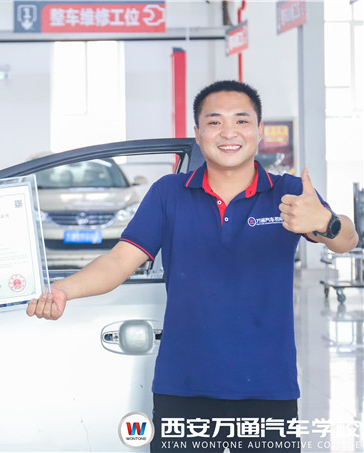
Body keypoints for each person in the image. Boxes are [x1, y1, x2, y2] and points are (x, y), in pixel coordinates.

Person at [27, 80, 358, 452]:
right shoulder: (169, 192)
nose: (229, 132)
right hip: (183, 388)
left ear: (259, 130)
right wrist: (62, 290)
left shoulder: (289, 192)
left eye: (242, 121)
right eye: (215, 122)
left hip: (268, 387)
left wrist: (326, 222)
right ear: (198, 134)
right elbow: (119, 261)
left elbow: (347, 240)